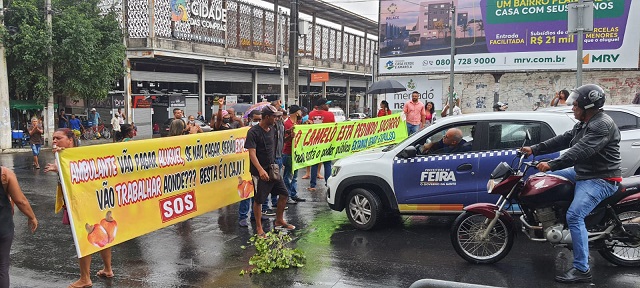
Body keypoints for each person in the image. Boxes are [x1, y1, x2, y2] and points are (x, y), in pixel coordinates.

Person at [521, 84, 620, 284]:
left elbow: (580, 151)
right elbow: (565, 139)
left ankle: (582, 269)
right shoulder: (584, 123)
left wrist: (552, 164)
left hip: (600, 178)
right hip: (584, 172)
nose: (572, 107)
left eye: (575, 105)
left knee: (575, 215)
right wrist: (534, 149)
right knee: (545, 181)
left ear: (587, 106)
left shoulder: (601, 125)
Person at [44, 128, 113, 288]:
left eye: (58, 138)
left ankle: (85, 279)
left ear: (70, 140)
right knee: (103, 234)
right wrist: (58, 167)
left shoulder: (78, 155)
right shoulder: (64, 157)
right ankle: (108, 269)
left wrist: (61, 165)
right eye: (53, 138)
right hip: (90, 201)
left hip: (82, 204)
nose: (54, 141)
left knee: (82, 238)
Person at [245, 105, 294, 237]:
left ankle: (279, 220)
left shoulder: (272, 129)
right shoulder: (253, 132)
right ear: (267, 117)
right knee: (259, 200)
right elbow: (252, 154)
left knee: (284, 194)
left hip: (273, 169)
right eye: (275, 116)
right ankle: (259, 228)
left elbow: (277, 145)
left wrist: (289, 138)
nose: (277, 118)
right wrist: (260, 170)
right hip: (259, 172)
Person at [0, 166, 38, 288]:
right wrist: (32, 216)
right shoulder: (5, 174)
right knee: (2, 266)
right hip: (3, 226)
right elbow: (20, 201)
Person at [238, 110, 269, 227]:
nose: (257, 122)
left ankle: (255, 215)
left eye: (259, 119)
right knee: (246, 192)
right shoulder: (247, 131)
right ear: (249, 119)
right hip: (245, 166)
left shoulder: (263, 130)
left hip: (258, 166)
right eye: (255, 119)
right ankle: (242, 217)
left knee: (258, 193)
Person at [308, 98, 336, 191]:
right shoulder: (330, 115)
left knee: (314, 164)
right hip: (326, 142)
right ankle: (328, 183)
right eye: (327, 104)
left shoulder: (311, 114)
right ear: (322, 105)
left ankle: (312, 185)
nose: (328, 106)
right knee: (327, 163)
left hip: (315, 142)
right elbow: (333, 128)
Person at [283, 105, 305, 203]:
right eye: (300, 111)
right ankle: (287, 196)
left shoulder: (297, 123)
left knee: (294, 176)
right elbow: (284, 139)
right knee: (288, 176)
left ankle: (293, 194)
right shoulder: (287, 124)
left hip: (296, 153)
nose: (301, 114)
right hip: (288, 152)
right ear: (296, 112)